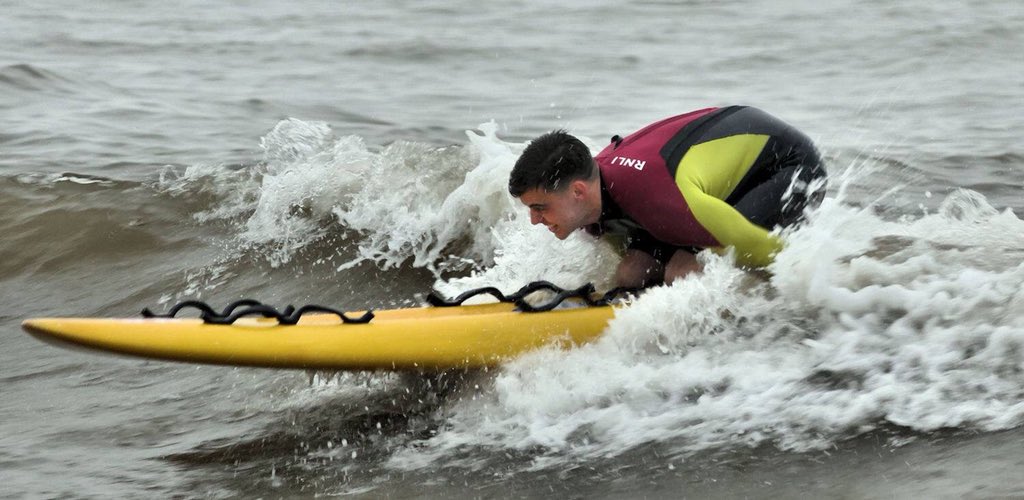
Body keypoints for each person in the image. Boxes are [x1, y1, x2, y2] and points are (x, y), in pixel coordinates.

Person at [508, 105, 827, 288]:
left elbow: (765, 252)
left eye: (540, 207)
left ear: (578, 191)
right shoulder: (592, 197)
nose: (534, 220)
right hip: (710, 169)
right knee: (631, 273)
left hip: (785, 163)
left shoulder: (662, 200)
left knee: (683, 271)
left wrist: (816, 285)